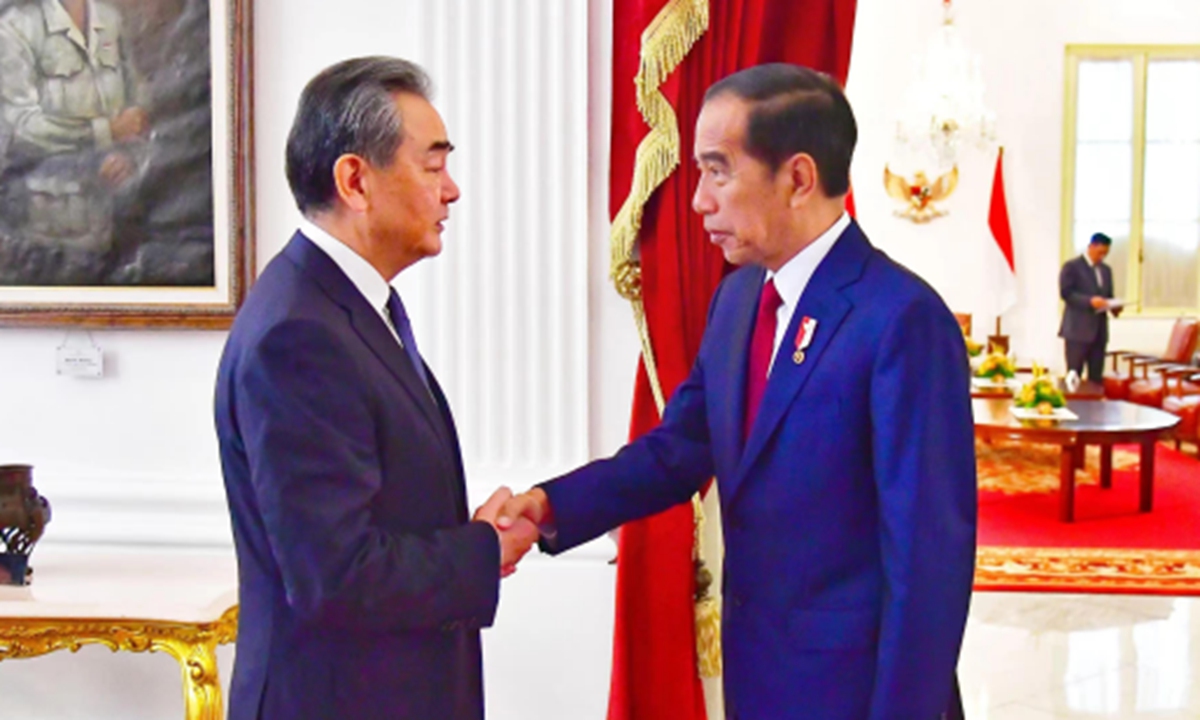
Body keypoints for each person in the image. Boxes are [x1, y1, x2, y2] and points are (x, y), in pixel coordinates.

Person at [500, 64, 976, 720]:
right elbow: (677, 451)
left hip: (854, 694)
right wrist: (550, 505)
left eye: (718, 171)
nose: (699, 200)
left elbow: (928, 564)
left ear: (799, 177)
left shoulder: (901, 319)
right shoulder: (739, 300)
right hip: (758, 679)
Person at [214, 57, 538, 720]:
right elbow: (334, 575)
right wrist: (481, 550)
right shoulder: (299, 334)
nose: (452, 191)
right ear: (355, 180)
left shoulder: (341, 305)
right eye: (433, 165)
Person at [0, 0, 149, 283]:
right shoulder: (14, 27)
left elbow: (137, 114)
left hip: (115, 226)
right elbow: (20, 126)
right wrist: (105, 132)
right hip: (45, 235)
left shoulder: (110, 20)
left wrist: (130, 156)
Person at [1059, 232, 1120, 383]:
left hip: (1099, 332)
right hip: (1077, 331)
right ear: (1091, 247)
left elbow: (1108, 295)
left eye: (1105, 253)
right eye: (1100, 252)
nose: (1102, 256)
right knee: (1074, 376)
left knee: (1096, 378)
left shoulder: (1106, 270)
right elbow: (1066, 293)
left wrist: (1114, 307)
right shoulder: (1072, 267)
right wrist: (1089, 301)